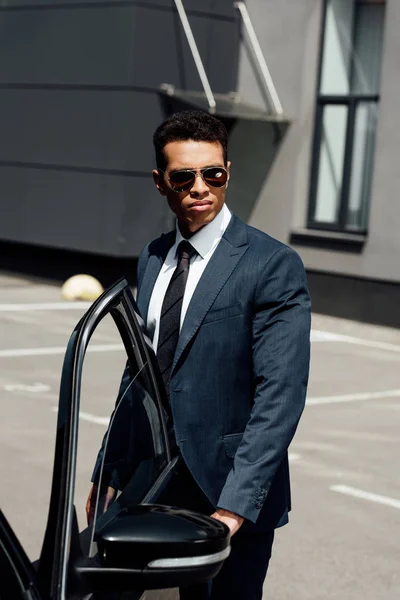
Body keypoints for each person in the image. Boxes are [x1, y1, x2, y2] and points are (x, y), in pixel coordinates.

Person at [87, 110, 311, 600]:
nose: (200, 187)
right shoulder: (152, 257)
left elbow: (281, 393)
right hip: (154, 482)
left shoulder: (272, 264)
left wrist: (234, 507)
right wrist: (110, 471)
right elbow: (138, 374)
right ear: (160, 182)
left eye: (214, 174)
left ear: (227, 170)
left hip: (228, 491)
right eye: (183, 176)